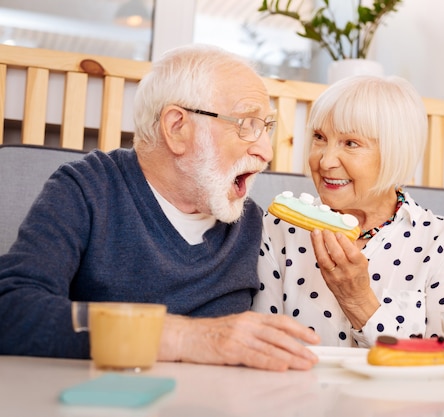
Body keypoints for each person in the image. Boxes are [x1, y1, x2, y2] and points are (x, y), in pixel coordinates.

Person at [0, 44, 319, 371]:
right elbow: (11, 309)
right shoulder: (88, 189)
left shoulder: (251, 222)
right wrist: (185, 338)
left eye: (266, 127)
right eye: (247, 123)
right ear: (177, 127)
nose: (266, 151)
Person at [253, 75, 444, 347]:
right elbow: (263, 345)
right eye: (320, 137)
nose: (325, 160)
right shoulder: (278, 228)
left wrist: (358, 300)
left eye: (350, 143)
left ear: (396, 152)